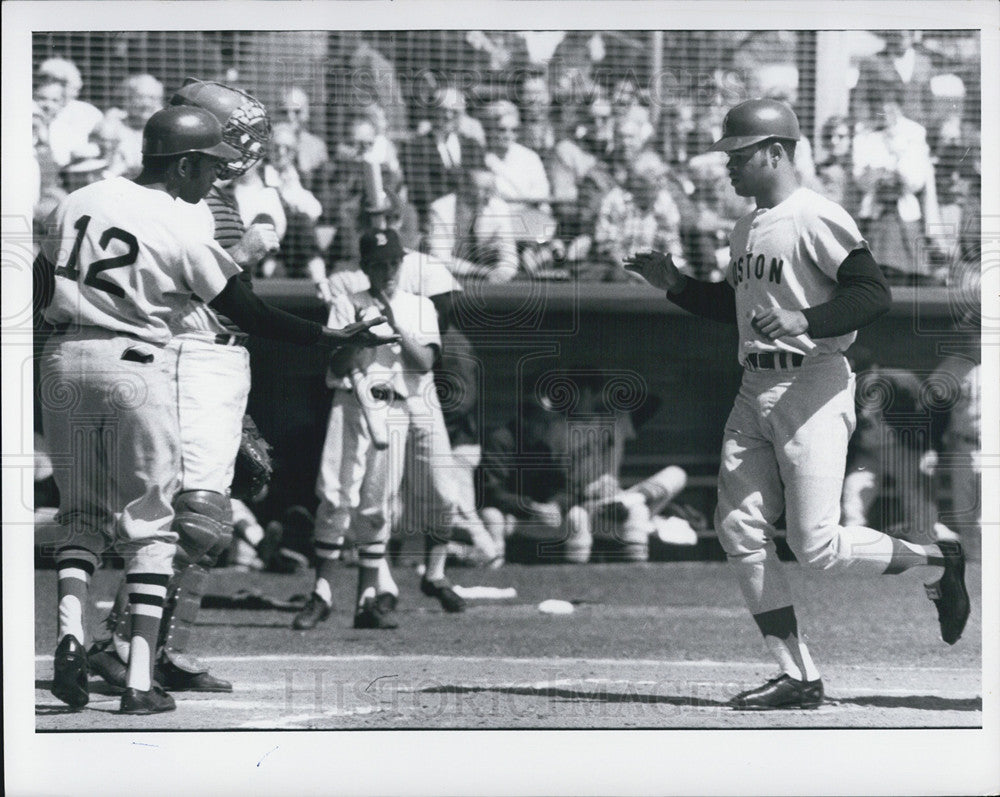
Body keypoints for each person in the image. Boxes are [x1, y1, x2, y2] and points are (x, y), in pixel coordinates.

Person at [36, 106, 393, 715]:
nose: (216, 178)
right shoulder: (180, 220)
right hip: (140, 360)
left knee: (80, 517)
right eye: (210, 166)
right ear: (184, 163)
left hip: (62, 358)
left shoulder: (76, 199)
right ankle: (139, 679)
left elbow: (41, 281)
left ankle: (70, 634)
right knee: (151, 525)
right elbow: (249, 312)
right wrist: (330, 339)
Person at [624, 98, 970, 711]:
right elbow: (734, 310)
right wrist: (675, 285)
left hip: (812, 383)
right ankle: (798, 675)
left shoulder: (815, 215)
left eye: (738, 153)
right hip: (753, 386)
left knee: (817, 546)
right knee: (739, 529)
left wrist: (805, 317)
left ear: (776, 152)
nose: (727, 165)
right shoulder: (746, 226)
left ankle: (937, 561)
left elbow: (873, 294)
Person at [294, 229, 448, 630]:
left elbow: (425, 363)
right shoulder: (347, 304)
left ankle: (367, 599)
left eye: (393, 263)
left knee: (377, 504)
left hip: (393, 406)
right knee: (335, 495)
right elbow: (338, 367)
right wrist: (357, 340)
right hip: (351, 402)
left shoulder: (420, 306)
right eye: (379, 264)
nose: (388, 271)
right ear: (365, 267)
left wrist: (394, 324)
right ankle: (322, 593)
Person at [425, 155, 519, 283]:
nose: (485, 196)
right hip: (448, 278)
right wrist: (479, 271)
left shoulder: (499, 207)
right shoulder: (440, 209)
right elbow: (439, 258)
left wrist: (502, 272)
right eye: (480, 190)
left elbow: (509, 254)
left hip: (488, 281)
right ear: (464, 187)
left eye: (489, 190)